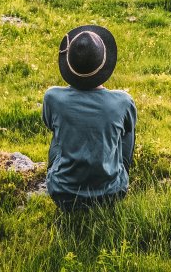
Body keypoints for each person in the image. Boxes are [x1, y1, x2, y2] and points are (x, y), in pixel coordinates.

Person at [42, 25, 137, 211]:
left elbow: (49, 124)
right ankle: (118, 173)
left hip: (63, 194)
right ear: (105, 60)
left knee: (58, 135)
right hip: (112, 194)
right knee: (127, 131)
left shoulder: (52, 97)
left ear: (69, 64)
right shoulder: (123, 101)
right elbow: (126, 134)